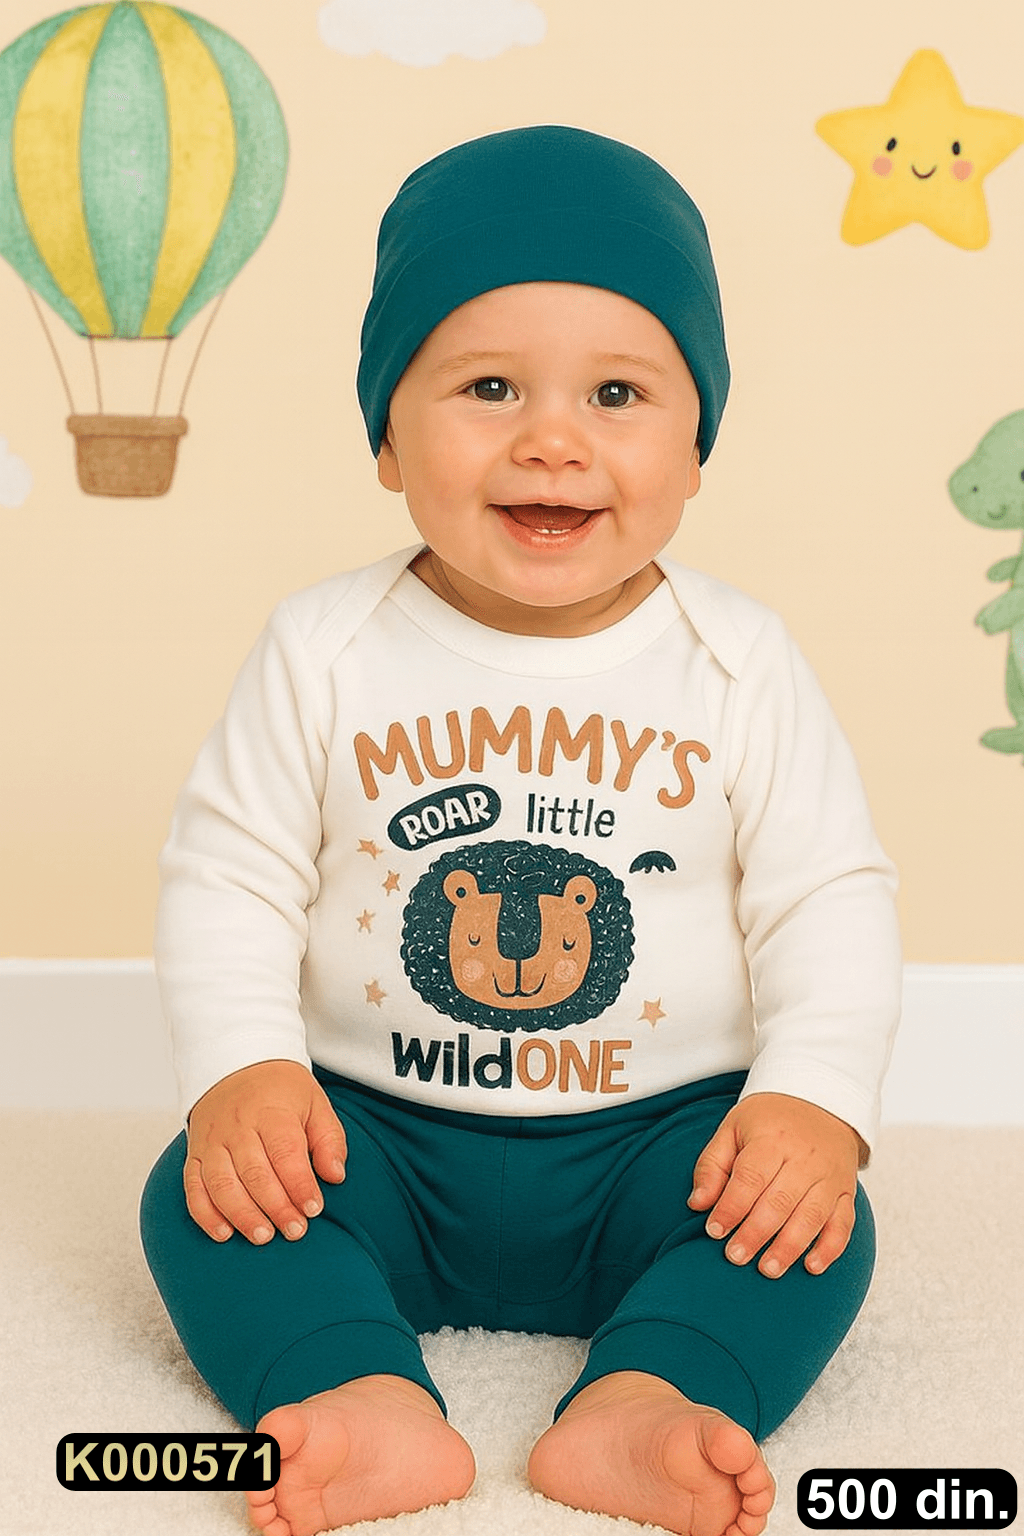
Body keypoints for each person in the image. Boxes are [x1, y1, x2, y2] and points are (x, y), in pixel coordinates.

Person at [140, 125, 902, 1536]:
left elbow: (827, 897)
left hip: (662, 1146)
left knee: (811, 1226)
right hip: (368, 1137)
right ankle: (359, 1392)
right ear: (386, 437)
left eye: (618, 393)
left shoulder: (738, 661)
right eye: (488, 387)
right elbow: (231, 876)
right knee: (204, 1202)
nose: (553, 439)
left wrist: (815, 1100)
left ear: (696, 448)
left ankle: (649, 1397)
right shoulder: (323, 646)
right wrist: (241, 1069)